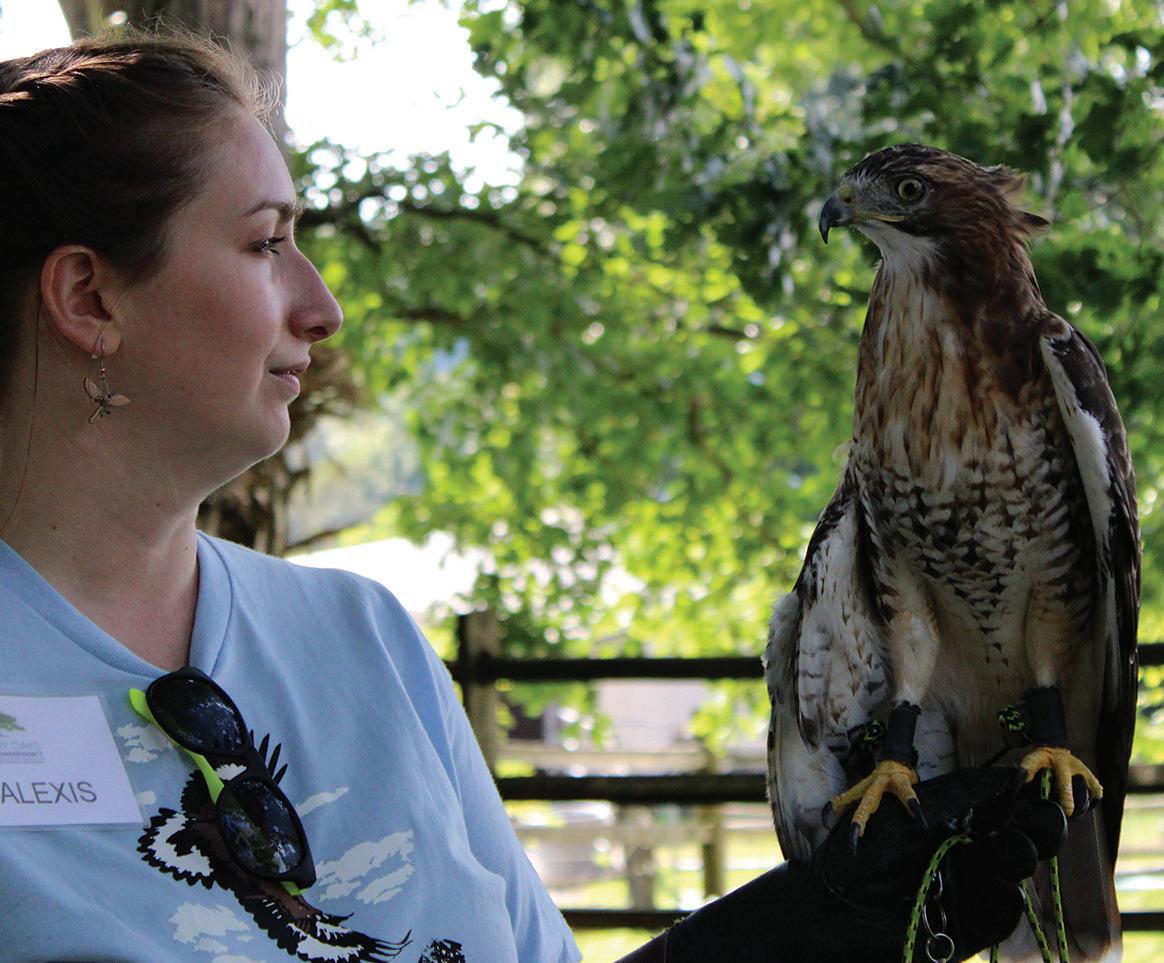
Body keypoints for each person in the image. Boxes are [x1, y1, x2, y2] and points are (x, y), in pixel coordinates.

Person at [0, 31, 1063, 963]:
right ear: (90, 297)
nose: (321, 306)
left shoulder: (364, 641)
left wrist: (804, 932)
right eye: (265, 242)